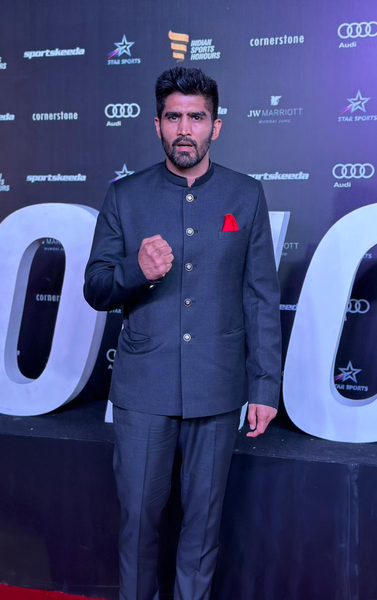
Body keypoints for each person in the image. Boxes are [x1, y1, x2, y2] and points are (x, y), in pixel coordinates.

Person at [84, 66, 281, 600]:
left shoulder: (246, 194)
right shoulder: (125, 196)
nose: (185, 129)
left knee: (202, 529)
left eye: (197, 117)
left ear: (216, 126)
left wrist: (265, 387)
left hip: (218, 389)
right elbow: (96, 288)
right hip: (142, 390)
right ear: (157, 125)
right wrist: (136, 271)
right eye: (174, 117)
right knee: (138, 525)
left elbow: (261, 297)